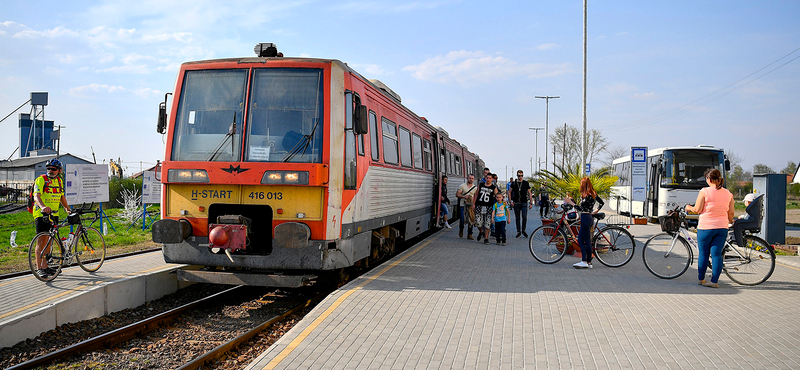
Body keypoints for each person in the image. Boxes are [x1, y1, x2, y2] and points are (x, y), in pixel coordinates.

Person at [685, 169, 734, 288]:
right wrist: (728, 221)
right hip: (722, 227)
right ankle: (714, 281)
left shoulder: (704, 191)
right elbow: (731, 213)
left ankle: (701, 279)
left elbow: (697, 209)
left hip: (706, 227)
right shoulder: (728, 193)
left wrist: (688, 207)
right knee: (716, 254)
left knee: (704, 254)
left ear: (709, 179)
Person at [32, 158, 70, 278]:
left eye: (53, 169)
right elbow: (36, 196)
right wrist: (43, 207)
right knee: (41, 240)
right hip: (41, 214)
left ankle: (46, 267)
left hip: (54, 214)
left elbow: (61, 197)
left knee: (49, 241)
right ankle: (39, 268)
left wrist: (67, 209)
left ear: (59, 171)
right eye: (48, 168)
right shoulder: (41, 179)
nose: (50, 171)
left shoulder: (59, 181)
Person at [571, 177, 604, 269]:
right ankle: (588, 262)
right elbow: (602, 203)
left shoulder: (587, 195)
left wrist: (572, 203)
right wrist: (595, 211)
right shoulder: (593, 194)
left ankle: (585, 261)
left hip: (585, 218)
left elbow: (581, 209)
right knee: (582, 240)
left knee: (586, 241)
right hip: (588, 217)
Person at [474, 173, 498, 244]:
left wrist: (502, 202)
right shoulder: (481, 185)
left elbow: (497, 196)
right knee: (478, 222)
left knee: (487, 223)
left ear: (492, 179)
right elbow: (476, 194)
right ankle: (481, 231)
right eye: (487, 178)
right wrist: (474, 204)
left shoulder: (493, 187)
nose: (488, 179)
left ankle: (486, 238)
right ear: (485, 178)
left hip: (489, 206)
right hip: (479, 205)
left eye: (490, 178)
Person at [509, 170, 533, 238]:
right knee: (517, 217)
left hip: (524, 202)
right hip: (516, 203)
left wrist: (531, 203)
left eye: (521, 176)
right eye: (519, 176)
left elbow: (529, 193)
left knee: (524, 217)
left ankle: (523, 230)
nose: (520, 177)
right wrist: (510, 201)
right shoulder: (514, 183)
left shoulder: (525, 183)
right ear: (517, 176)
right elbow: (509, 192)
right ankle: (518, 231)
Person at [456, 175, 478, 239]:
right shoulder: (462, 186)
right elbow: (457, 194)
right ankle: (461, 229)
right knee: (462, 219)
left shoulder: (475, 188)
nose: (471, 179)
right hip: (463, 205)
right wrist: (464, 197)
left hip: (470, 206)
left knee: (470, 220)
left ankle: (470, 234)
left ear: (473, 179)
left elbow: (476, 197)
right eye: (470, 178)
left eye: (472, 178)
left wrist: (474, 204)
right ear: (467, 178)